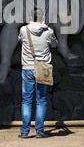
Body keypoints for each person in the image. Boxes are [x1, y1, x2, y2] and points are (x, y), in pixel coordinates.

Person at [18, 9, 57, 139]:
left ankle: (25, 131)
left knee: (26, 100)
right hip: (43, 68)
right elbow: (55, 44)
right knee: (41, 100)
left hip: (27, 68)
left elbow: (20, 40)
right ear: (42, 18)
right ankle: (39, 131)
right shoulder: (48, 31)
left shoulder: (24, 30)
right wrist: (47, 25)